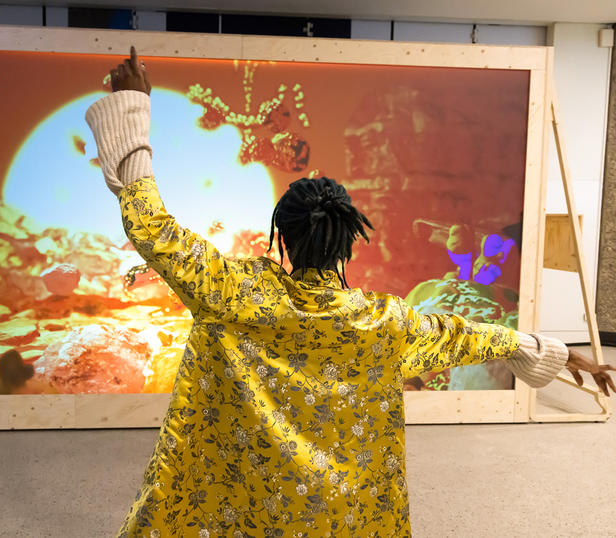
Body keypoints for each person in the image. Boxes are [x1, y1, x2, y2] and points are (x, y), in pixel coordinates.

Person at [86, 47, 616, 537]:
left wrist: (133, 107)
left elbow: (151, 227)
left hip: (245, 501)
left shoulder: (231, 291)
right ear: (347, 246)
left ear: (283, 236)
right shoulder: (384, 322)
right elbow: (477, 337)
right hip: (342, 513)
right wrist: (564, 353)